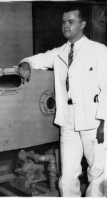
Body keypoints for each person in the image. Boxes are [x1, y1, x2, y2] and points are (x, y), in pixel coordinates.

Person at [18, 6, 107, 197]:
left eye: (71, 22)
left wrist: (103, 123)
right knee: (67, 176)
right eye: (64, 22)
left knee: (98, 173)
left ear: (82, 24)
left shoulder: (99, 51)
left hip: (94, 121)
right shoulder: (59, 52)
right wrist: (25, 63)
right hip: (68, 122)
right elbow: (37, 59)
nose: (66, 26)